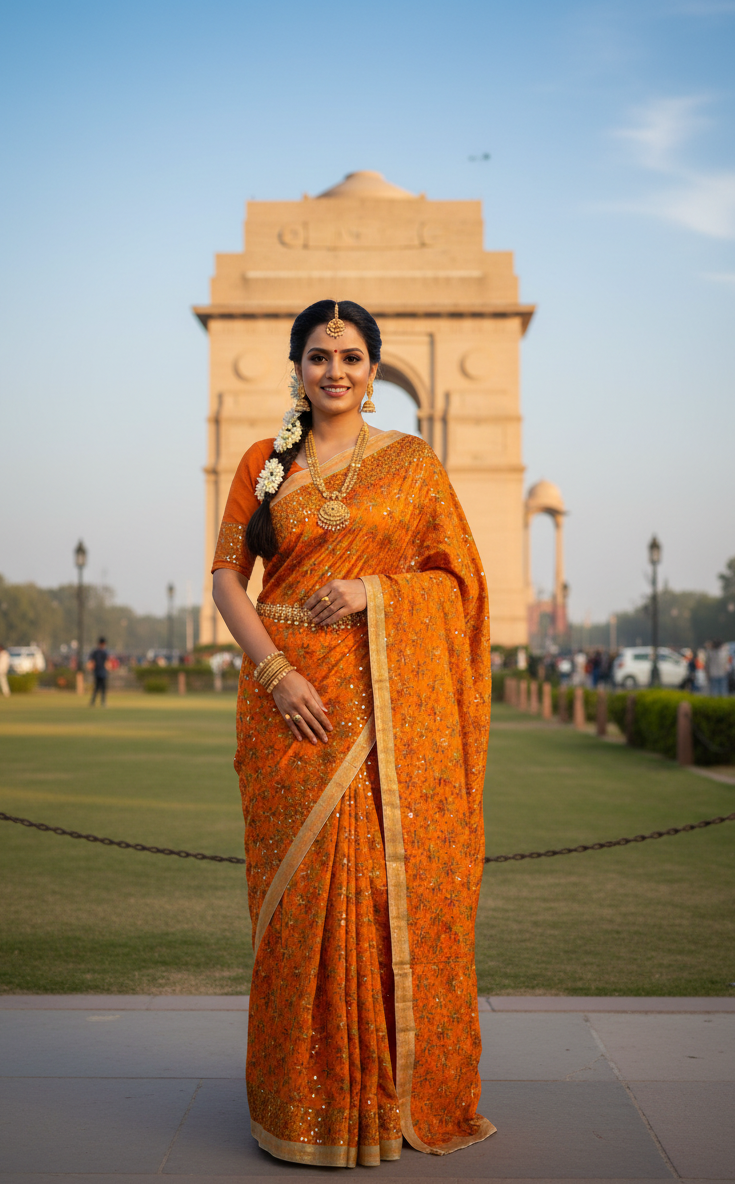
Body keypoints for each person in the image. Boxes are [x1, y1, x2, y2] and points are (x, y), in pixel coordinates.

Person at [211, 300, 494, 1168]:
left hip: (383, 704)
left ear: (374, 369)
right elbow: (225, 579)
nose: (334, 370)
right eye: (318, 355)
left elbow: (460, 582)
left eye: (351, 356)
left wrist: (377, 593)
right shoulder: (263, 463)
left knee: (378, 892)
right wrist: (276, 673)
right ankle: (303, 1105)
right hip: (286, 706)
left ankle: (384, 1095)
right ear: (297, 366)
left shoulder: (413, 463)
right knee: (299, 903)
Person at [88, 637, 109, 706]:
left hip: (99, 671)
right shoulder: (101, 652)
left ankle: (97, 702)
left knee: (99, 688)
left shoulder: (96, 652)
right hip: (100, 671)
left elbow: (92, 662)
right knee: (100, 688)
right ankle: (100, 702)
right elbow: (106, 662)